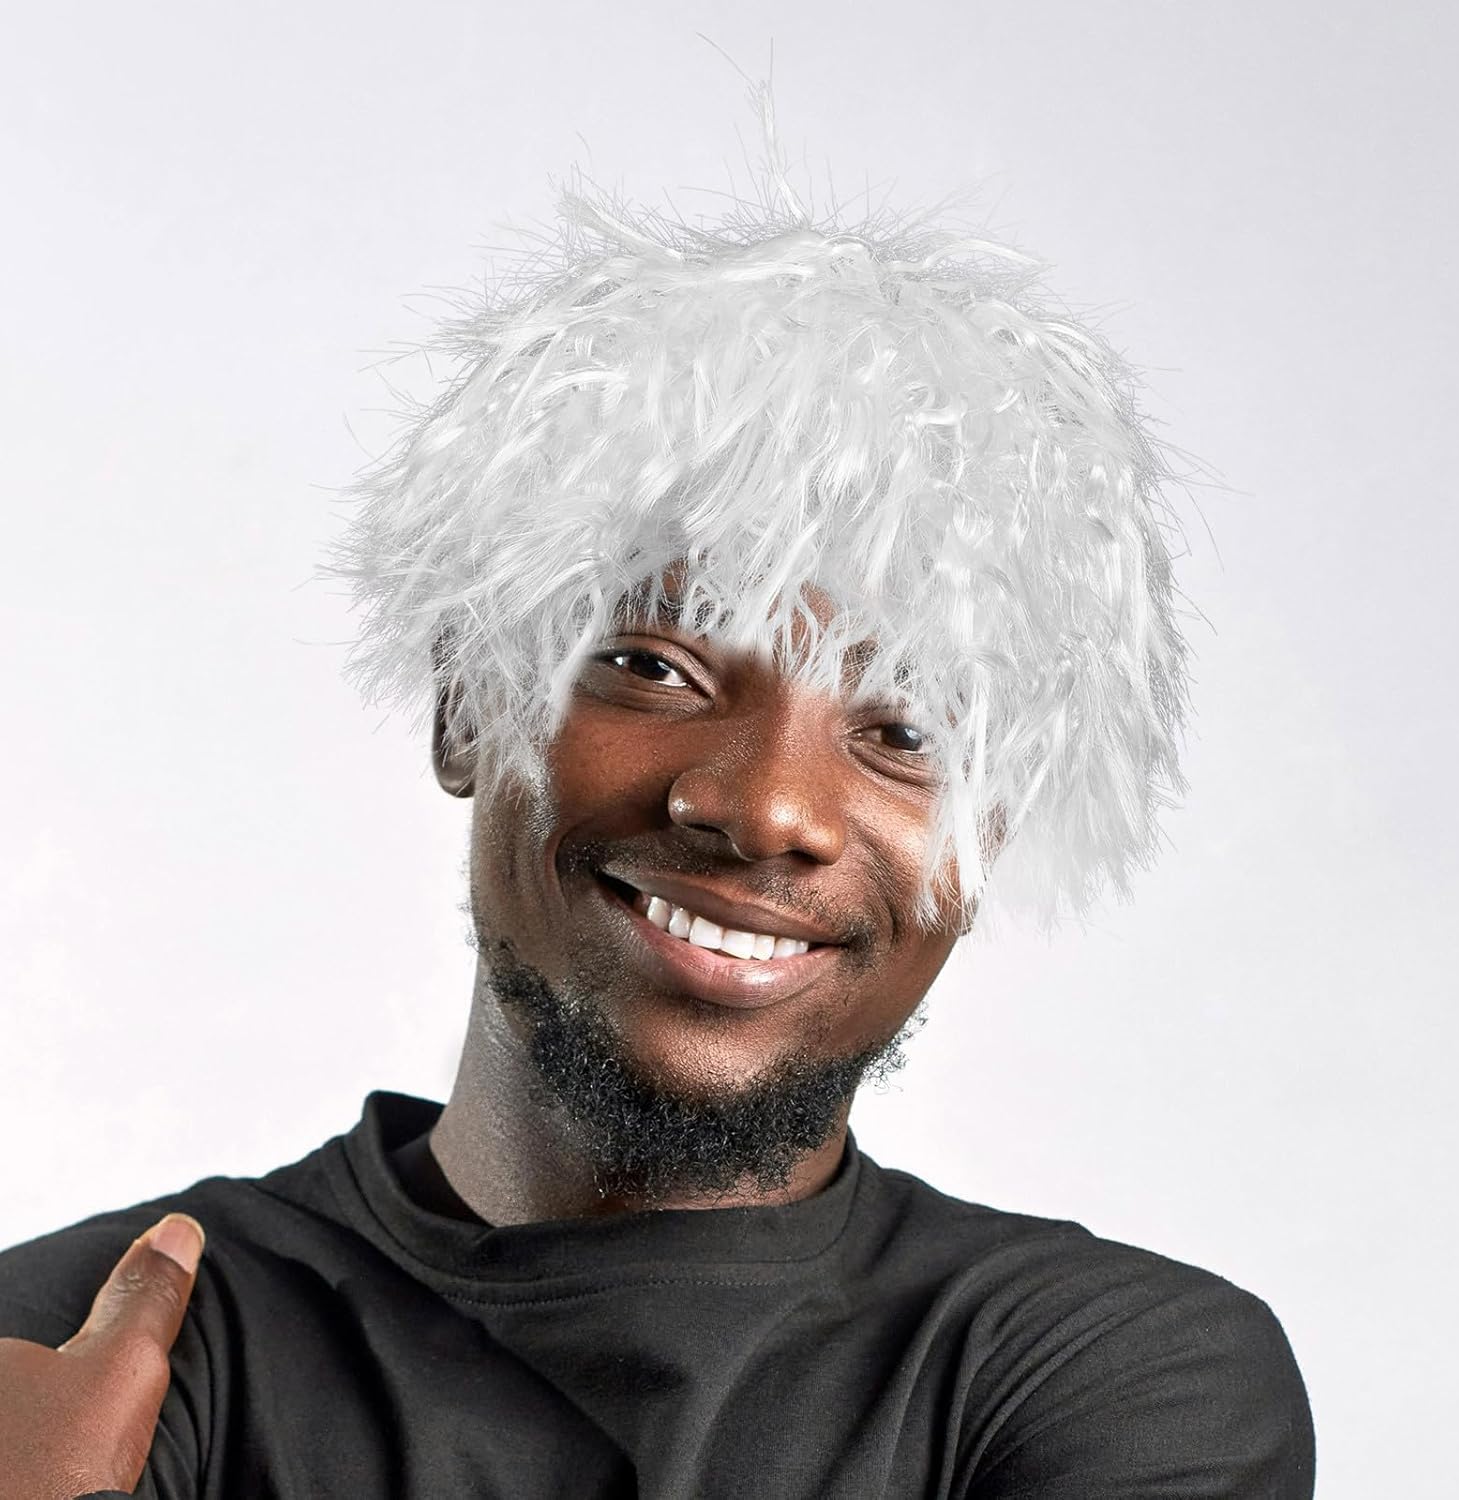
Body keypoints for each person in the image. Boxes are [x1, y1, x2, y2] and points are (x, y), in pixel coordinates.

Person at [0, 103, 1315, 1498]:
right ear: (471, 706)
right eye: (656, 667)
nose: (772, 808)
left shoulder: (1106, 1378)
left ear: (982, 842)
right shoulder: (78, 1346)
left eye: (903, 733)